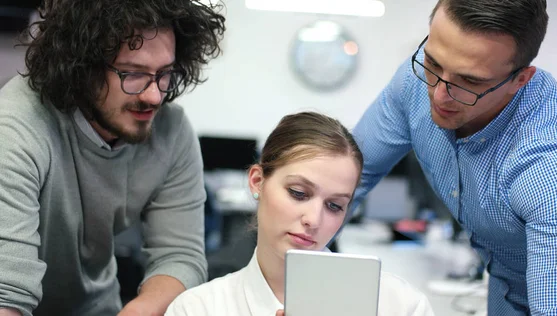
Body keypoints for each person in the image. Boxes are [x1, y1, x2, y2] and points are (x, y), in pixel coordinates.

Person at [351, 0, 557, 315]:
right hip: (503, 286)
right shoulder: (415, 83)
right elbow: (348, 180)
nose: (439, 94)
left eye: (470, 82)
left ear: (520, 80)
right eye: (433, 63)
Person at [0, 0, 226, 315]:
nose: (154, 96)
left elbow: (180, 257)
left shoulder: (172, 132)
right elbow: (6, 295)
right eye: (133, 74)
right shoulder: (14, 128)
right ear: (81, 66)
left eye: (164, 74)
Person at [164, 112, 435, 316]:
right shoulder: (197, 309)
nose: (314, 219)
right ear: (258, 181)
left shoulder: (402, 306)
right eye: (298, 193)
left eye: (334, 206)